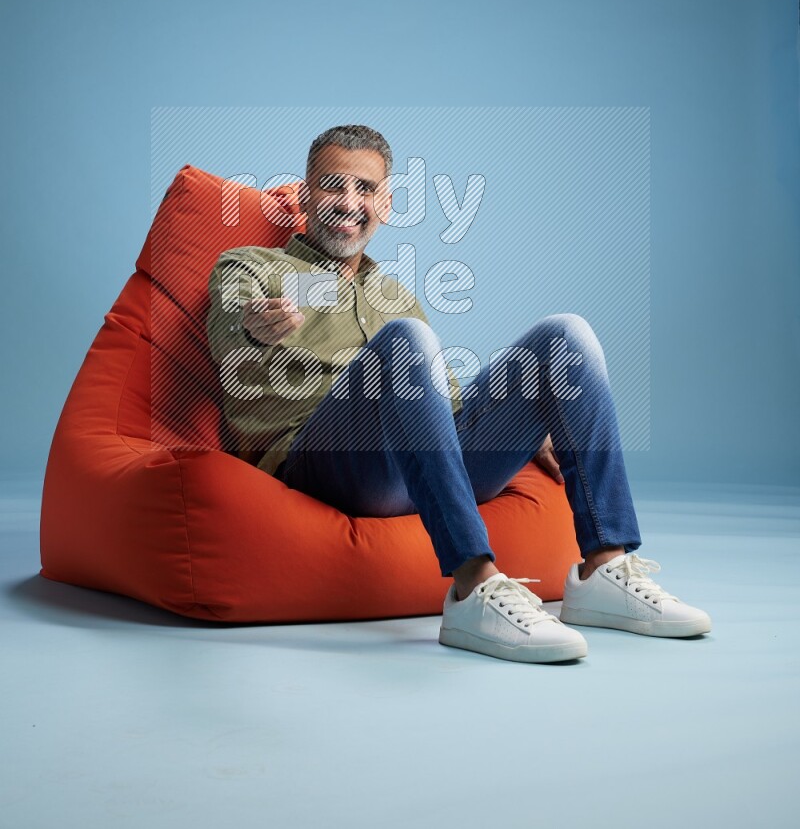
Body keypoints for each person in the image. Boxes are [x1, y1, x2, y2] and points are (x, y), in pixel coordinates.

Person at [206, 123, 711, 664]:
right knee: (406, 340)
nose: (349, 202)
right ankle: (473, 586)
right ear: (305, 195)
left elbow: (446, 406)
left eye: (366, 189)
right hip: (326, 464)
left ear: (387, 204)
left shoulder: (392, 293)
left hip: (424, 464)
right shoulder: (251, 266)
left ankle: (604, 568)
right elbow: (227, 329)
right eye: (333, 186)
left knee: (566, 335)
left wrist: (526, 422)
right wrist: (255, 327)